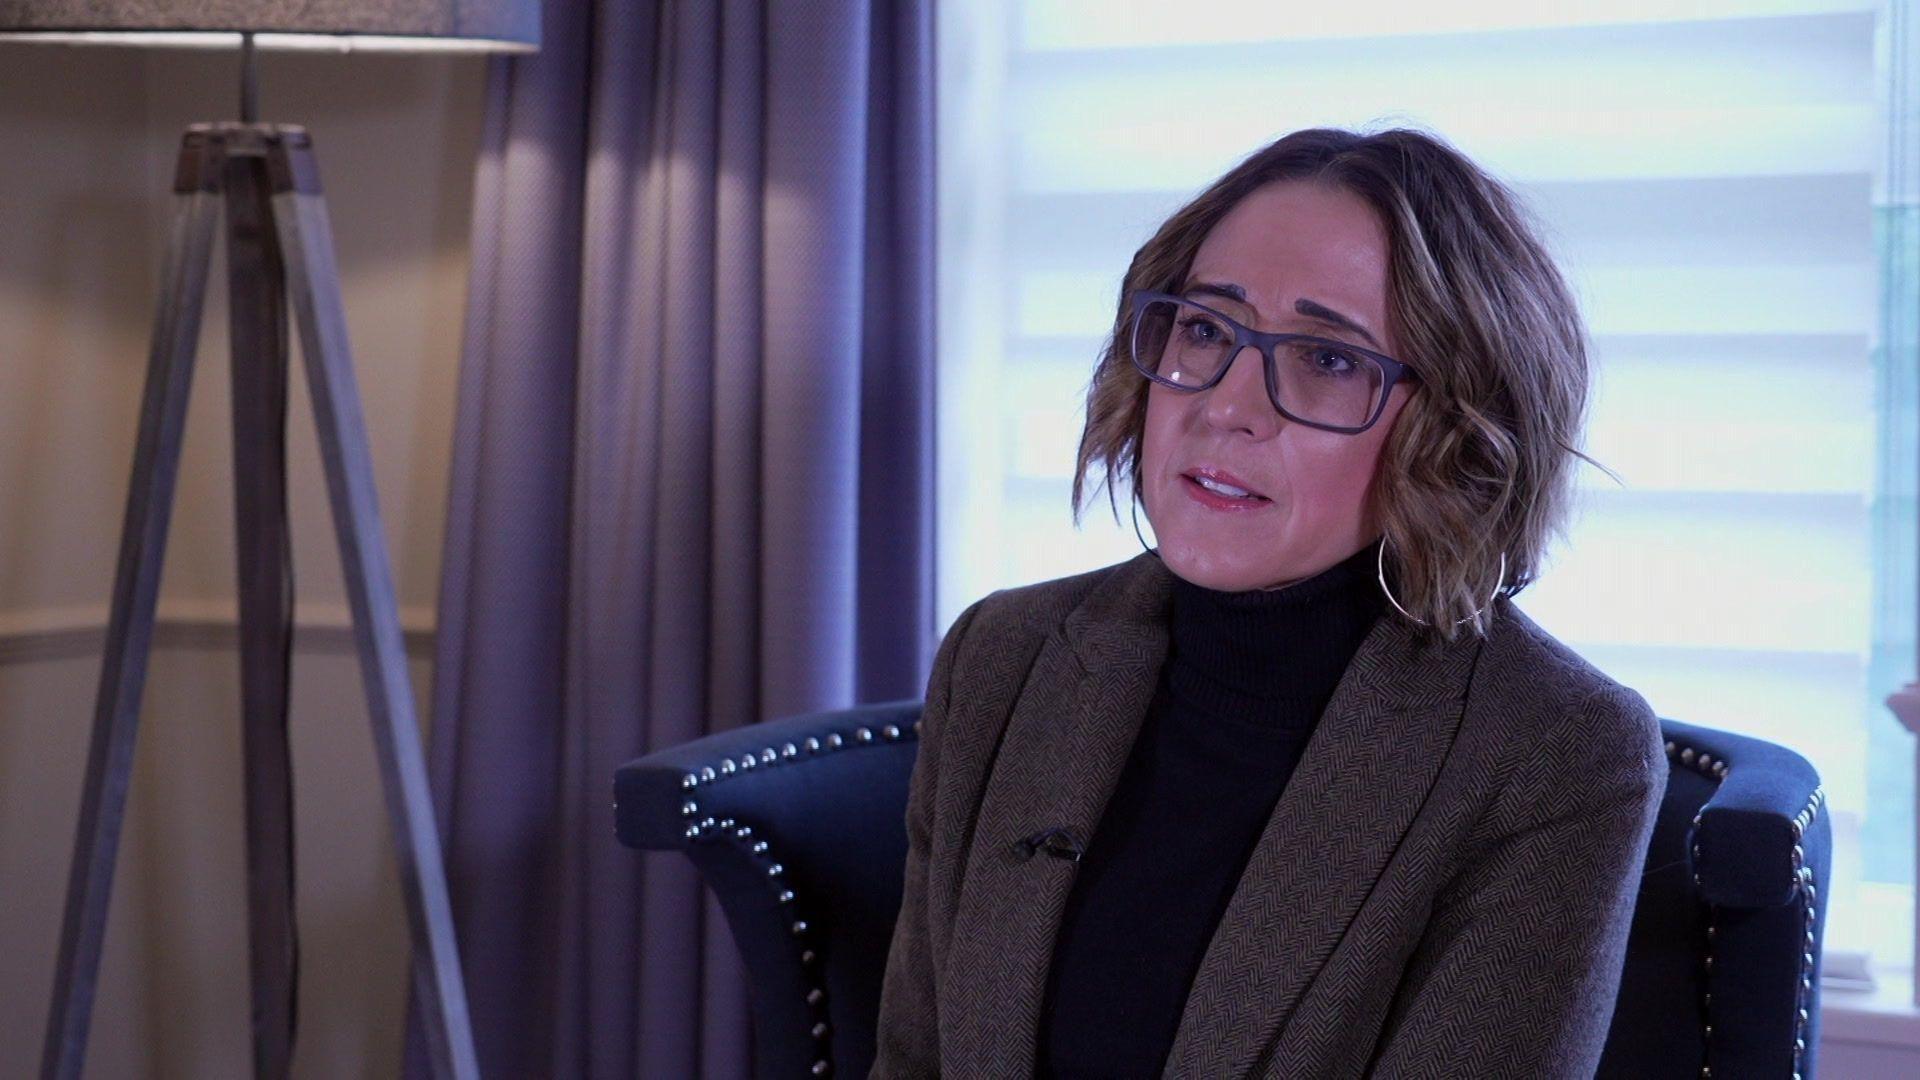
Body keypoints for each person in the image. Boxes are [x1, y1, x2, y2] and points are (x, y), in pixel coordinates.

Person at [871, 127, 1667, 1079]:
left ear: (1454, 432)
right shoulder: (1005, 656)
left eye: (1327, 360)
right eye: (1205, 329)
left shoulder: (1557, 755)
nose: (1227, 405)